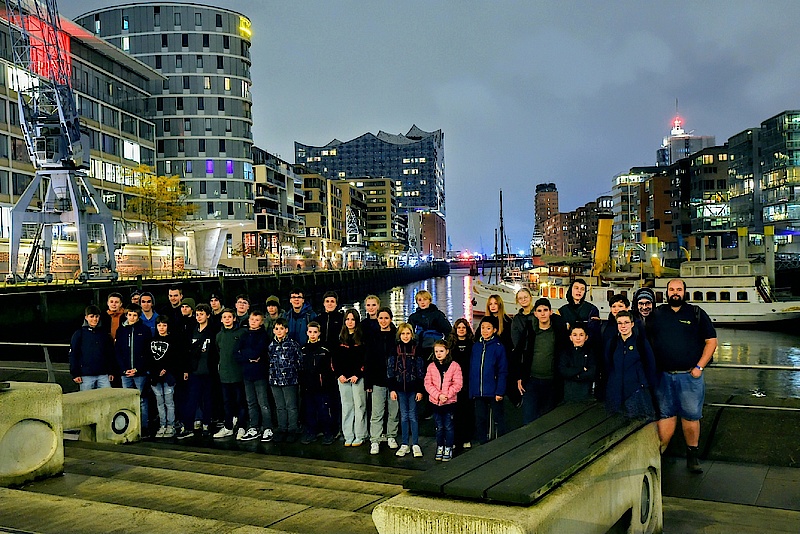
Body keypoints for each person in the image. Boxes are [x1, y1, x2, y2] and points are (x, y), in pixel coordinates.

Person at [647, 279, 717, 473]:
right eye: (671, 289)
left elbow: (711, 341)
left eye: (679, 289)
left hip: (689, 377)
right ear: (667, 292)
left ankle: (692, 457)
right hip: (663, 376)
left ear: (685, 292)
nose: (675, 292)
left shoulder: (696, 313)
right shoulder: (657, 314)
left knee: (691, 417)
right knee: (666, 415)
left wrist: (699, 367)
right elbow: (645, 341)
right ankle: (659, 455)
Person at [516, 298, 569, 424]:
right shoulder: (530, 330)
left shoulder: (557, 331)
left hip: (551, 381)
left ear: (551, 312)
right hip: (532, 380)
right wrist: (519, 376)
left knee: (547, 420)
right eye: (539, 311)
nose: (543, 313)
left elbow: (565, 352)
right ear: (535, 313)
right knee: (528, 419)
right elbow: (519, 353)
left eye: (545, 310)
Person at [604, 311, 657, 420]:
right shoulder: (612, 343)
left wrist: (644, 384)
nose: (623, 326)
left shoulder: (641, 343)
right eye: (620, 323)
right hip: (616, 392)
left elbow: (650, 365)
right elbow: (608, 365)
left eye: (626, 322)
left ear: (632, 324)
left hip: (636, 391)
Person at [177, 304, 216, 439]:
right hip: (195, 371)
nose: (199, 317)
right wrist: (186, 370)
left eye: (202, 314)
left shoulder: (212, 331)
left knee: (208, 399)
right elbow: (186, 352)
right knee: (192, 399)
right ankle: (188, 427)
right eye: (197, 314)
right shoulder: (192, 331)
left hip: (208, 371)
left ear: (208, 315)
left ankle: (206, 424)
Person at [365, 307, 400, 454]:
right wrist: (368, 382)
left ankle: (391, 436)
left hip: (394, 380)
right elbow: (368, 359)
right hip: (377, 379)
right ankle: (375, 439)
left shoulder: (396, 336)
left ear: (391, 319)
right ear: (377, 319)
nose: (383, 321)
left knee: (393, 411)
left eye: (386, 318)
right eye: (381, 318)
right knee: (377, 411)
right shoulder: (373, 336)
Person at [114, 304, 152, 435]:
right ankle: (129, 426)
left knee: (141, 400)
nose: (132, 317)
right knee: (127, 400)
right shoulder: (121, 330)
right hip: (125, 373)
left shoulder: (145, 330)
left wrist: (138, 369)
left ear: (138, 316)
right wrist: (124, 369)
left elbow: (147, 353)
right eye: (129, 315)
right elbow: (118, 351)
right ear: (126, 315)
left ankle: (144, 427)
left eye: (135, 315)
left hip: (140, 372)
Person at [235, 310, 273, 442]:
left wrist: (246, 353)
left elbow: (257, 352)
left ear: (261, 322)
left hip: (260, 374)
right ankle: (254, 427)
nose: (253, 322)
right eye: (252, 319)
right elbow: (236, 353)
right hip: (247, 374)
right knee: (251, 402)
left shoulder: (263, 335)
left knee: (263, 402)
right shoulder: (244, 335)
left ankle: (267, 427)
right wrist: (248, 357)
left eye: (257, 320)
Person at [389, 322, 425, 457]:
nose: (405, 336)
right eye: (403, 334)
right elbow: (390, 369)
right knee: (403, 416)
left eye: (408, 333)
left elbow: (421, 370)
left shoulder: (417, 349)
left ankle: (415, 444)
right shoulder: (394, 349)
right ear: (399, 335)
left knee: (413, 416)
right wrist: (392, 389)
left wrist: (420, 389)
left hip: (413, 387)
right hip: (399, 387)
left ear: (412, 335)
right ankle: (404, 443)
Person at [333, 309, 368, 447]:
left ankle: (360, 435)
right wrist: (339, 375)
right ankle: (348, 435)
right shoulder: (340, 338)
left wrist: (358, 374)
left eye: (352, 319)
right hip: (343, 378)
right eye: (347, 319)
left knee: (359, 405)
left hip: (357, 377)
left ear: (357, 321)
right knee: (347, 406)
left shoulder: (362, 338)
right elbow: (334, 359)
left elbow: (365, 359)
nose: (350, 322)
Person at [470, 316, 507, 444]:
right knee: (480, 418)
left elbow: (502, 370)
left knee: (498, 418)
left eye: (488, 328)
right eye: (483, 328)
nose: (485, 331)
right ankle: (483, 443)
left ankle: (501, 443)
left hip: (493, 390)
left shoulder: (498, 347)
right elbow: (472, 369)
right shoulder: (476, 346)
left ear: (494, 330)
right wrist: (472, 390)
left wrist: (500, 391)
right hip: (478, 391)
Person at [424, 340, 463, 462]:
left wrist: (446, 395)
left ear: (447, 351)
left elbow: (458, 384)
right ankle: (440, 446)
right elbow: (428, 384)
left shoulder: (454, 366)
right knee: (439, 427)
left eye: (441, 351)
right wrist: (438, 395)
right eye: (436, 351)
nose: (439, 354)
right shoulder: (431, 366)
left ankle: (448, 447)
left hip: (449, 402)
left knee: (448, 426)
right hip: (436, 402)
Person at [147, 316, 186, 438]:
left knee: (169, 402)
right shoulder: (151, 341)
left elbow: (176, 358)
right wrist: (156, 372)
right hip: (155, 377)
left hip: (169, 377)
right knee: (160, 403)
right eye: (159, 325)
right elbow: (149, 359)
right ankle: (162, 425)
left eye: (164, 325)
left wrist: (166, 369)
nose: (161, 328)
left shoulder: (173, 340)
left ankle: (171, 426)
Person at [300, 322, 336, 445]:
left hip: (322, 386)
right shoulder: (303, 349)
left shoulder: (325, 349)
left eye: (315, 332)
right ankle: (311, 433)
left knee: (323, 410)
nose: (312, 335)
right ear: (307, 333)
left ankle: (328, 433)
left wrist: (326, 383)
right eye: (310, 332)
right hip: (308, 386)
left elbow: (329, 369)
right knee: (310, 410)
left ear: (319, 333)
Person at [268, 317, 303, 442]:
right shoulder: (271, 346)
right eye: (276, 329)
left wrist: (294, 374)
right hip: (275, 380)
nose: (279, 331)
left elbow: (299, 361)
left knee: (291, 406)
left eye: (281, 328)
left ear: (286, 330)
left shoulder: (292, 345)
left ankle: (292, 429)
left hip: (289, 380)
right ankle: (282, 428)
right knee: (280, 406)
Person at [214, 308, 246, 439]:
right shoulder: (219, 335)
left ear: (234, 318)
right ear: (221, 320)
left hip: (238, 374)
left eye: (229, 317)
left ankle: (242, 427)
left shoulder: (241, 333)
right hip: (224, 375)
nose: (227, 319)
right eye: (224, 317)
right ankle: (228, 427)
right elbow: (218, 351)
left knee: (240, 402)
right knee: (227, 402)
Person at [69, 305, 114, 391]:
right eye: (91, 316)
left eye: (96, 316)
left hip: (103, 374)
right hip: (86, 375)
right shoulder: (79, 334)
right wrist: (75, 374)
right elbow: (73, 354)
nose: (94, 319)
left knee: (107, 397)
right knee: (86, 398)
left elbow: (110, 354)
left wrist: (111, 371)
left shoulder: (104, 334)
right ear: (86, 317)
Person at [448, 318, 474, 449]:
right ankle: (456, 439)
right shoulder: (451, 345)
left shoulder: (472, 344)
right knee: (456, 412)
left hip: (468, 381)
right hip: (454, 383)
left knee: (468, 411)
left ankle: (467, 438)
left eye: (464, 327)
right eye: (459, 328)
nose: (461, 330)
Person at [407, 290, 451, 361]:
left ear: (429, 301)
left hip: (434, 346)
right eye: (420, 300)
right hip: (418, 346)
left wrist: (444, 346)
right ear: (417, 302)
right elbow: (409, 332)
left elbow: (448, 331)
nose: (422, 302)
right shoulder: (413, 317)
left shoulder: (438, 315)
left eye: (425, 299)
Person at [558, 323, 597, 402]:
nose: (578, 338)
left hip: (586, 394)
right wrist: (581, 369)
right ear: (570, 337)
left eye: (581, 335)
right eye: (575, 335)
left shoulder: (591, 352)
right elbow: (563, 371)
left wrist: (574, 375)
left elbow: (592, 372)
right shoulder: (565, 352)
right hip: (568, 394)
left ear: (586, 337)